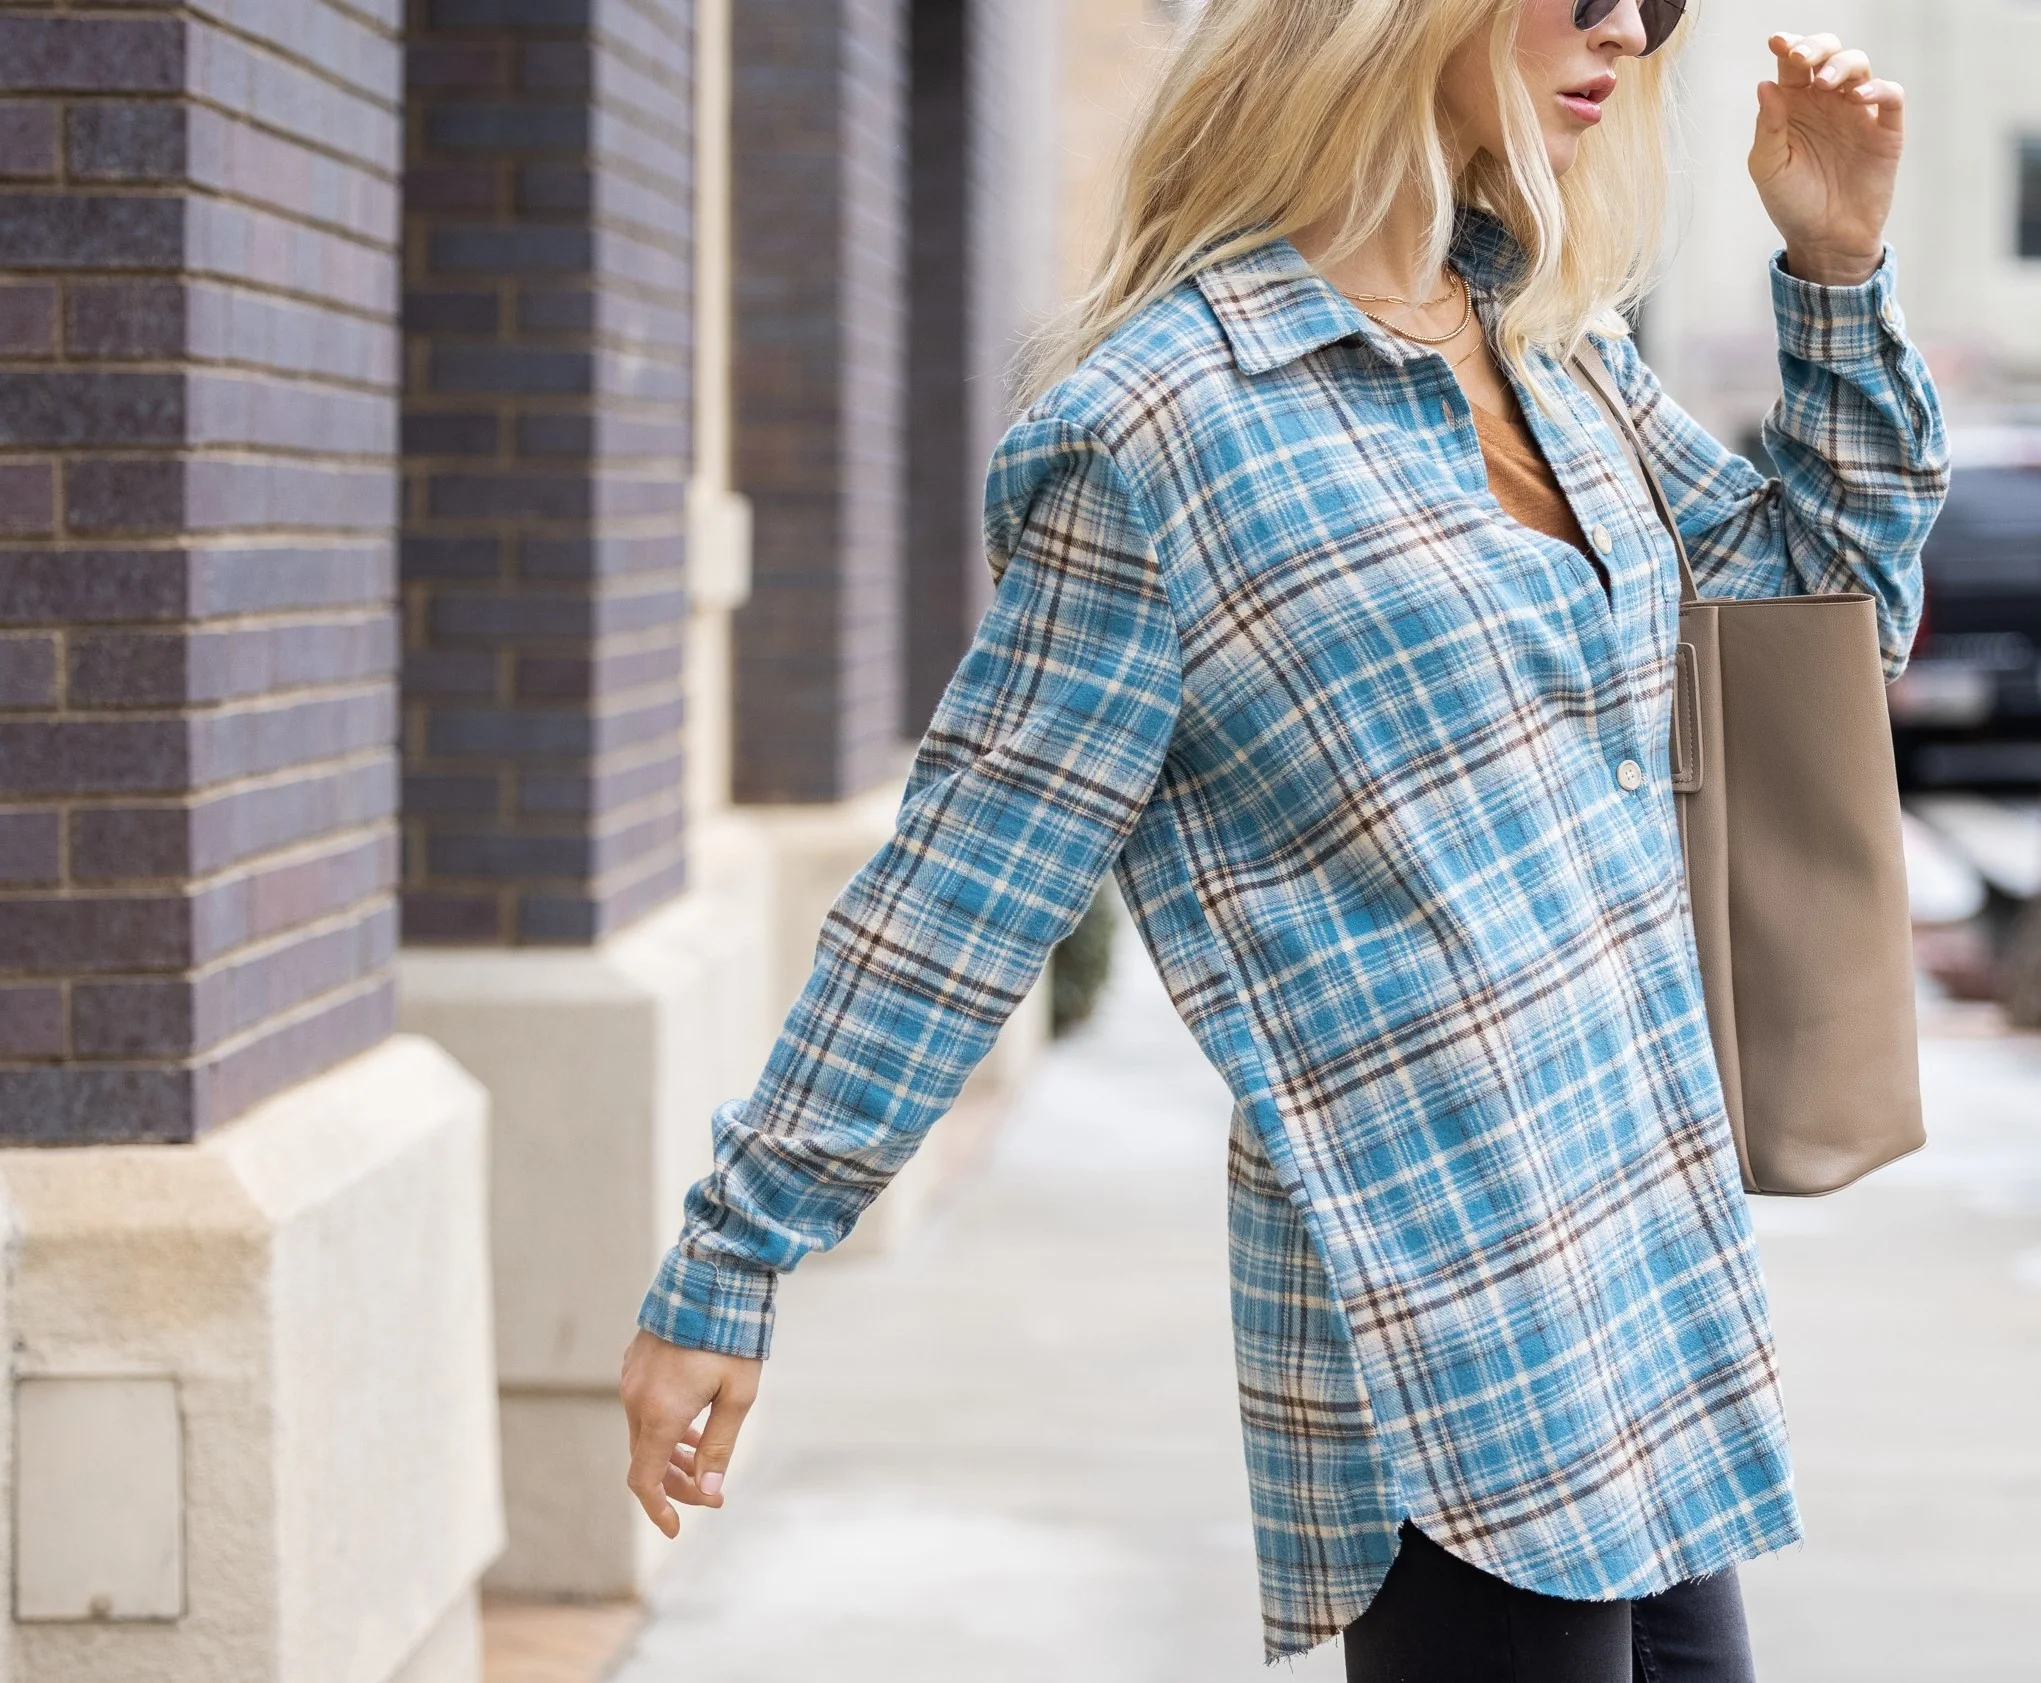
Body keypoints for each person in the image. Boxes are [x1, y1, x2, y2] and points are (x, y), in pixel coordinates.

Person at [621, 2, 1947, 1677]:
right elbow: (960, 891)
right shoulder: (1155, 430)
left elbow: (1821, 623)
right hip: (1441, 1305)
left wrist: (1834, 272)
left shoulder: (1548, 340)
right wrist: (734, 1255)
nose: (1625, 25)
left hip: (1645, 1255)